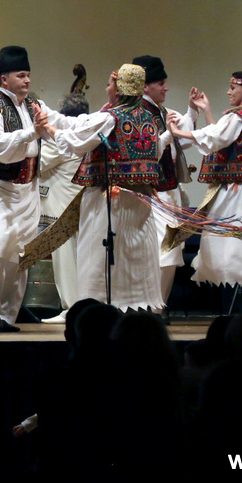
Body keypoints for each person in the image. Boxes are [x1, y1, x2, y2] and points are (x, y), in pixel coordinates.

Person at [52, 64, 165, 312]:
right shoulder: (150, 118)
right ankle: (135, 309)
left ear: (119, 89)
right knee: (134, 256)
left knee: (100, 257)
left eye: (109, 84)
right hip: (140, 200)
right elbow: (156, 153)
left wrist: (50, 131)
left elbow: (76, 141)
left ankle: (99, 309)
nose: (106, 89)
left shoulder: (110, 118)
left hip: (109, 200)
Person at [0, 46, 65, 332]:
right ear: (4, 79)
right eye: (21, 75)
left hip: (28, 189)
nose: (27, 80)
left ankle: (8, 314)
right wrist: (31, 133)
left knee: (23, 253)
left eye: (28, 75)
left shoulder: (34, 104)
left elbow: (60, 123)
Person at [167, 69, 242, 292]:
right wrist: (207, 110)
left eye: (233, 88)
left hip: (238, 193)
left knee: (237, 251)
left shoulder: (238, 116)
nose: (229, 92)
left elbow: (216, 137)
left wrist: (178, 132)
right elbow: (220, 139)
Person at [131, 55, 194, 305]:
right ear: (146, 86)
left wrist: (191, 111)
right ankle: (151, 307)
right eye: (161, 83)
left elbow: (182, 142)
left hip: (170, 192)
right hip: (154, 194)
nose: (166, 88)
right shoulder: (138, 113)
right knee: (163, 253)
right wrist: (168, 134)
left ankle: (157, 307)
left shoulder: (161, 111)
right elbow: (145, 152)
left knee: (171, 253)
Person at [36, 90, 89, 324]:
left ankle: (71, 308)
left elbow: (39, 162)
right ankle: (78, 307)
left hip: (63, 208)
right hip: (78, 204)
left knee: (66, 260)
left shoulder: (64, 137)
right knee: (79, 260)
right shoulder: (85, 134)